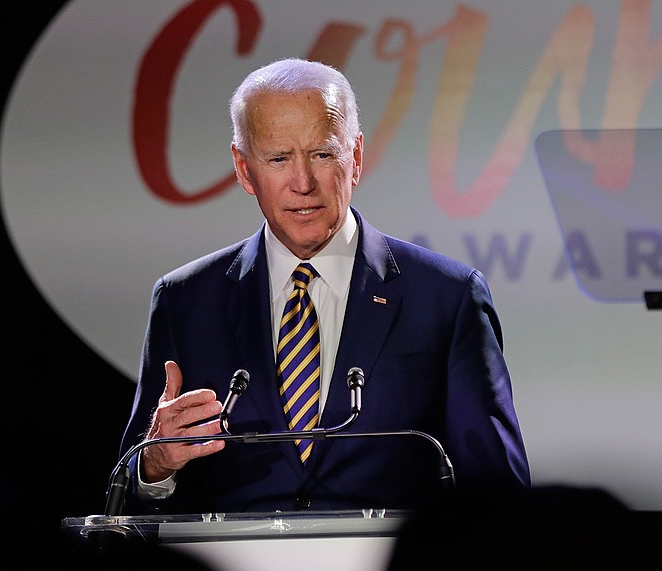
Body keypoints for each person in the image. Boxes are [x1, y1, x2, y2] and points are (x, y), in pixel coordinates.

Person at [117, 57, 530, 515]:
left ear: (355, 157)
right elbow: (127, 501)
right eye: (278, 159)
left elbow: (499, 494)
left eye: (322, 154)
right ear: (242, 167)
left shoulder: (446, 298)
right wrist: (154, 466)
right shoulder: (186, 302)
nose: (303, 183)